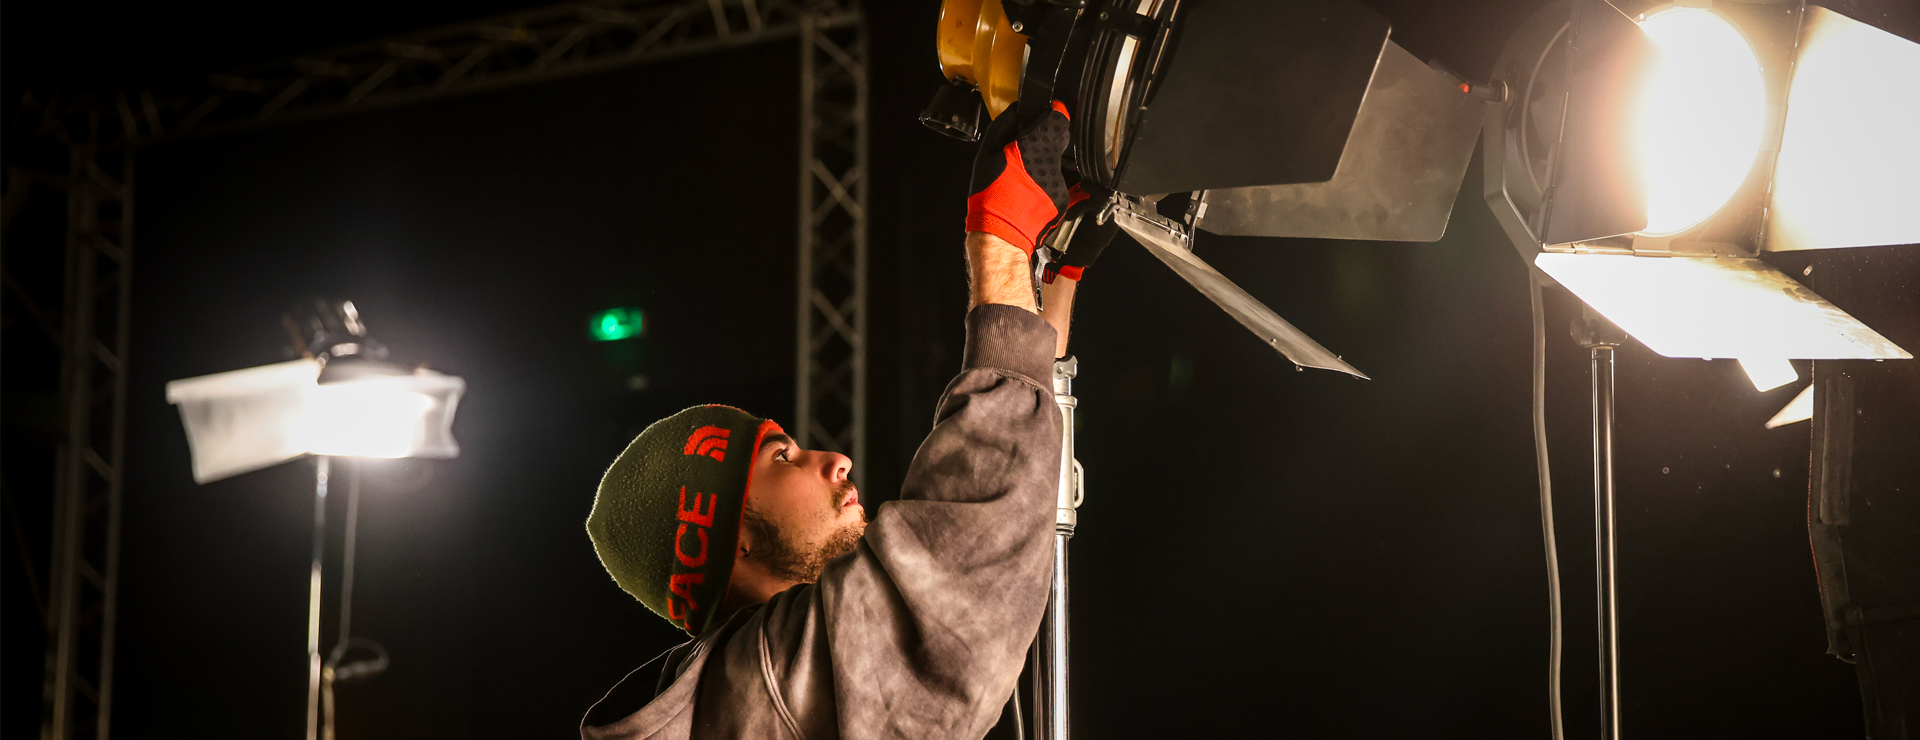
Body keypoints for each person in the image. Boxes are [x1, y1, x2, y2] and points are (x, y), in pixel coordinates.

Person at [579, 101, 1115, 739]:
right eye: (780, 458)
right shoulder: (761, 687)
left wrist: (1053, 277)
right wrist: (1000, 234)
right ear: (727, 537)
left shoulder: (751, 691)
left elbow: (1004, 507)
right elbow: (959, 564)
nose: (835, 460)